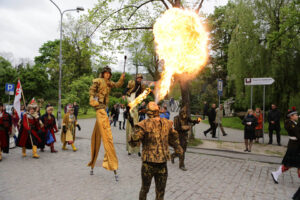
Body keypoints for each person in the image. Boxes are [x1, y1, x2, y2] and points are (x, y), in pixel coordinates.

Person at [129, 102, 183, 200]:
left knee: (159, 191)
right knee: (146, 189)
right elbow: (134, 143)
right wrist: (134, 134)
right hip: (148, 163)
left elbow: (173, 138)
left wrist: (177, 147)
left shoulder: (167, 123)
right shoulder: (143, 125)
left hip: (161, 164)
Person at [87, 66, 125, 179]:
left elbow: (117, 85)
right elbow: (92, 91)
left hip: (104, 109)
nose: (107, 75)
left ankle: (92, 165)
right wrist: (92, 100)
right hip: (100, 109)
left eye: (109, 73)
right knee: (107, 136)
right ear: (102, 74)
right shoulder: (98, 81)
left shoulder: (109, 83)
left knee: (97, 136)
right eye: (106, 73)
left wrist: (122, 78)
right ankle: (113, 165)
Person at [271, 108, 300, 184]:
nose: (297, 116)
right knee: (289, 164)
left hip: (296, 146)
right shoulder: (289, 124)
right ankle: (276, 173)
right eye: (296, 115)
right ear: (291, 116)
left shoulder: (294, 123)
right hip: (294, 147)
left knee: (291, 164)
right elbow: (298, 134)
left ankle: (276, 173)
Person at [171, 106, 200, 171]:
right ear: (180, 112)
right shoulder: (176, 118)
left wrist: (196, 121)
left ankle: (173, 155)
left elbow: (191, 121)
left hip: (184, 136)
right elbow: (177, 128)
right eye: (183, 113)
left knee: (184, 150)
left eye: (185, 113)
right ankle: (182, 165)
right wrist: (186, 127)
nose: (184, 114)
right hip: (178, 136)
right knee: (181, 151)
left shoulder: (186, 117)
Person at [124, 74, 146, 156]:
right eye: (138, 78)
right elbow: (125, 93)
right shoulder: (128, 94)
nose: (139, 79)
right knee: (130, 130)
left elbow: (142, 96)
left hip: (135, 112)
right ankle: (130, 149)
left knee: (136, 130)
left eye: (140, 78)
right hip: (130, 112)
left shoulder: (140, 89)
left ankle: (137, 149)